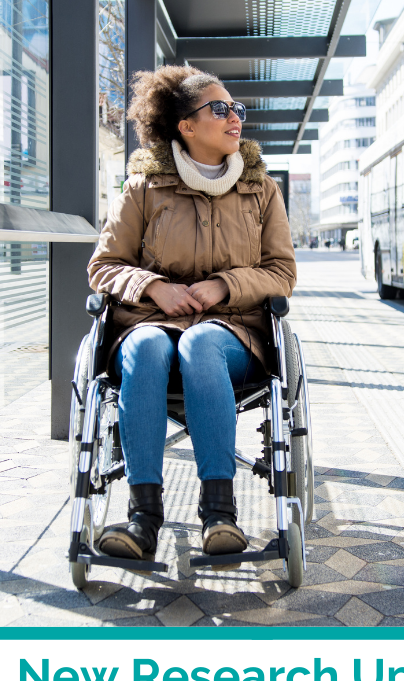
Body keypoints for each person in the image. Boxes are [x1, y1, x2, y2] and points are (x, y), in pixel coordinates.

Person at [87, 66, 296, 560]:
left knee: (200, 345)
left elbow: (281, 272)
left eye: (236, 109)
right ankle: (143, 519)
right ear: (186, 125)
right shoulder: (144, 188)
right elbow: (104, 267)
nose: (234, 119)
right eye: (219, 109)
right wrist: (153, 286)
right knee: (146, 345)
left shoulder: (260, 190)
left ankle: (220, 514)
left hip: (233, 333)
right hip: (149, 323)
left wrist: (224, 285)